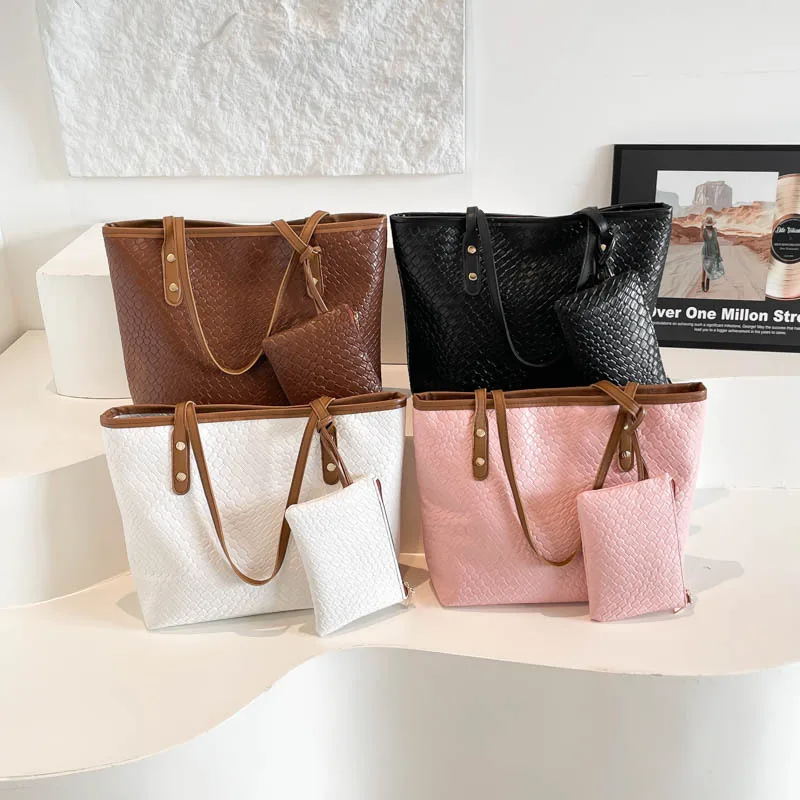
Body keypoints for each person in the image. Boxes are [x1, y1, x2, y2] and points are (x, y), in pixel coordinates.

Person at [700, 215, 724, 292]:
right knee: (704, 268)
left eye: (709, 224)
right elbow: (702, 238)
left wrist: (719, 252)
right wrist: (701, 229)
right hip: (705, 250)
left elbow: (716, 241)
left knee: (710, 268)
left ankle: (707, 281)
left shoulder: (715, 230)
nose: (708, 225)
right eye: (707, 224)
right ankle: (702, 283)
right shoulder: (704, 231)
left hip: (713, 250)